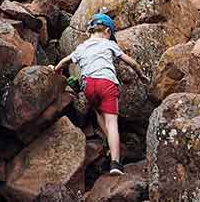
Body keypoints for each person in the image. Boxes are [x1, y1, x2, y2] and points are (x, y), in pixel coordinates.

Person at [50, 13, 149, 175]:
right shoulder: (109, 44)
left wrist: (55, 69)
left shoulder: (82, 47)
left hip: (88, 85)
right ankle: (116, 163)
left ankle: (108, 142)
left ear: (91, 30)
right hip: (106, 83)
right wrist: (141, 75)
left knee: (97, 111)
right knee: (112, 123)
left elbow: (65, 61)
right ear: (108, 32)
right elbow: (132, 62)